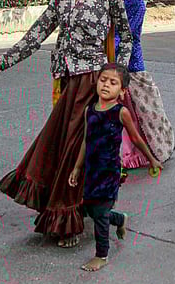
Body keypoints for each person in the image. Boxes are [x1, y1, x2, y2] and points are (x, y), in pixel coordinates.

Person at [0, 0, 132, 248]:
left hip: (93, 81)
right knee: (60, 143)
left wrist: (118, 77)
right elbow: (37, 33)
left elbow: (126, 38)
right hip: (65, 81)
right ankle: (91, 210)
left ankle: (68, 220)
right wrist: (4, 61)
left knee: (73, 148)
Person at [68, 63, 162, 272]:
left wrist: (152, 159)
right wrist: (76, 167)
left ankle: (102, 255)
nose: (106, 85)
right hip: (91, 170)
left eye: (113, 83)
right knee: (93, 209)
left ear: (122, 91)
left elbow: (136, 138)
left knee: (100, 212)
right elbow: (86, 140)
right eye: (103, 80)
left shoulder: (121, 112)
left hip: (109, 171)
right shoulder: (89, 110)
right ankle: (119, 219)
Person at [107, 0, 175, 170]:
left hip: (126, 62)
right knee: (143, 109)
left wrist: (114, 63)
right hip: (128, 61)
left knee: (135, 110)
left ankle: (138, 153)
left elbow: (126, 35)